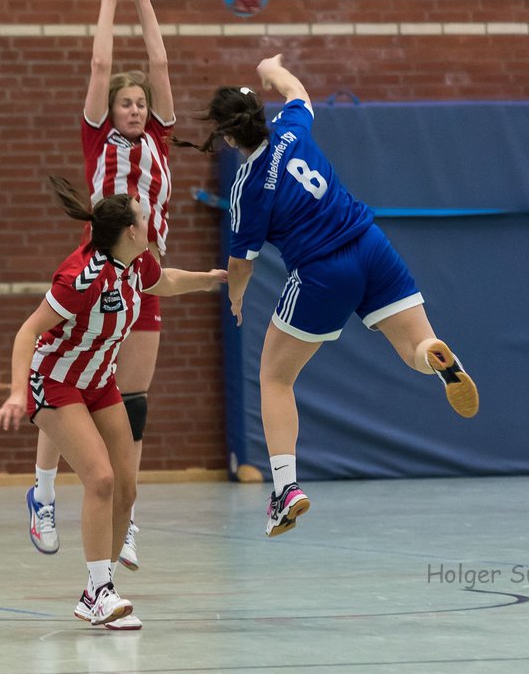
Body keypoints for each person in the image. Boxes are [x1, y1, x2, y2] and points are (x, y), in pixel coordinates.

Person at [175, 54, 479, 537]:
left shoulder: (246, 187)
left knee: (275, 378)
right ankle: (436, 357)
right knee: (411, 348)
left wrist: (235, 297)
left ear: (228, 136)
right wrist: (269, 67)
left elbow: (241, 263)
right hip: (371, 245)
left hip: (322, 270)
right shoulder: (291, 128)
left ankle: (285, 490)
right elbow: (297, 90)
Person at [0, 177, 225, 629]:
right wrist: (18, 393)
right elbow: (27, 332)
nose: (148, 220)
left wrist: (209, 280)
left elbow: (168, 280)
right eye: (143, 216)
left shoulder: (136, 266)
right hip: (56, 382)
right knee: (99, 479)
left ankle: (97, 590)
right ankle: (99, 589)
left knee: (126, 486)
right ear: (131, 231)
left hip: (99, 384)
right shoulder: (80, 277)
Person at [24, 0, 176, 571]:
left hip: (146, 276)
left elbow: (160, 62)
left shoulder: (161, 138)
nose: (136, 109)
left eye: (142, 103)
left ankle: (126, 517)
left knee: (127, 400)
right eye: (127, 103)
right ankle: (42, 491)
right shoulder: (98, 137)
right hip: (100, 271)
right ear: (111, 112)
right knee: (68, 377)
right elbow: (100, 64)